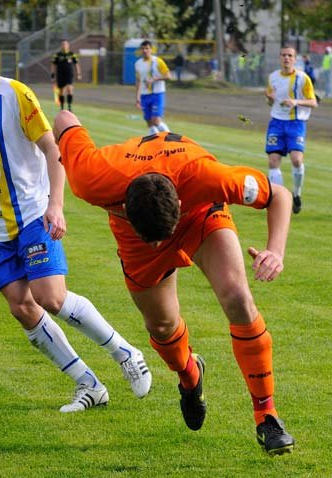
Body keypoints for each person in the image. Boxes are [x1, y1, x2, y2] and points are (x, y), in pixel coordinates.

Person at [0, 14, 151, 413]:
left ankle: (125, 353)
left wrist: (55, 204)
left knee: (51, 297)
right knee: (20, 306)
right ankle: (88, 383)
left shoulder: (16, 96)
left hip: (31, 212)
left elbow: (52, 150)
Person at [54, 109, 296, 455]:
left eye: (161, 238)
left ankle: (267, 416)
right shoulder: (93, 177)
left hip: (200, 215)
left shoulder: (208, 177)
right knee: (163, 326)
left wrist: (276, 251)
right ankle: (189, 375)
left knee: (238, 298)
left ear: (179, 201)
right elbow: (63, 118)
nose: (160, 246)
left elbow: (279, 196)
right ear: (121, 204)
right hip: (134, 239)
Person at [265, 46, 317, 214]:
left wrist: (296, 102)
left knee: (296, 160)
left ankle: (296, 194)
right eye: (283, 55)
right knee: (273, 161)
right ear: (280, 58)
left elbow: (313, 102)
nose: (286, 58)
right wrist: (269, 98)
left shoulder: (302, 78)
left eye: (290, 55)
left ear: (295, 59)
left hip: (296, 123)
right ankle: (280, 200)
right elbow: (270, 102)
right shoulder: (272, 77)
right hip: (276, 122)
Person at [135, 40, 171, 135]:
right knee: (149, 122)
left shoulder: (158, 61)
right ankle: (155, 144)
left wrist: (155, 79)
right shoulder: (138, 63)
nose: (145, 50)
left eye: (147, 48)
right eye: (143, 48)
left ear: (151, 49)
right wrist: (137, 97)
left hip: (157, 93)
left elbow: (168, 75)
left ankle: (170, 138)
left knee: (156, 120)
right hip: (144, 95)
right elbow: (138, 81)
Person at [50, 40, 81, 111]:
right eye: (63, 44)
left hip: (69, 75)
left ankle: (69, 107)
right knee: (61, 91)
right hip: (60, 75)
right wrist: (52, 75)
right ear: (61, 46)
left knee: (70, 89)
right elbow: (53, 65)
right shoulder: (57, 55)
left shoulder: (72, 54)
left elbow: (76, 64)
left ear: (68, 45)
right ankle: (62, 107)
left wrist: (78, 74)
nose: (64, 46)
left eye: (65, 44)